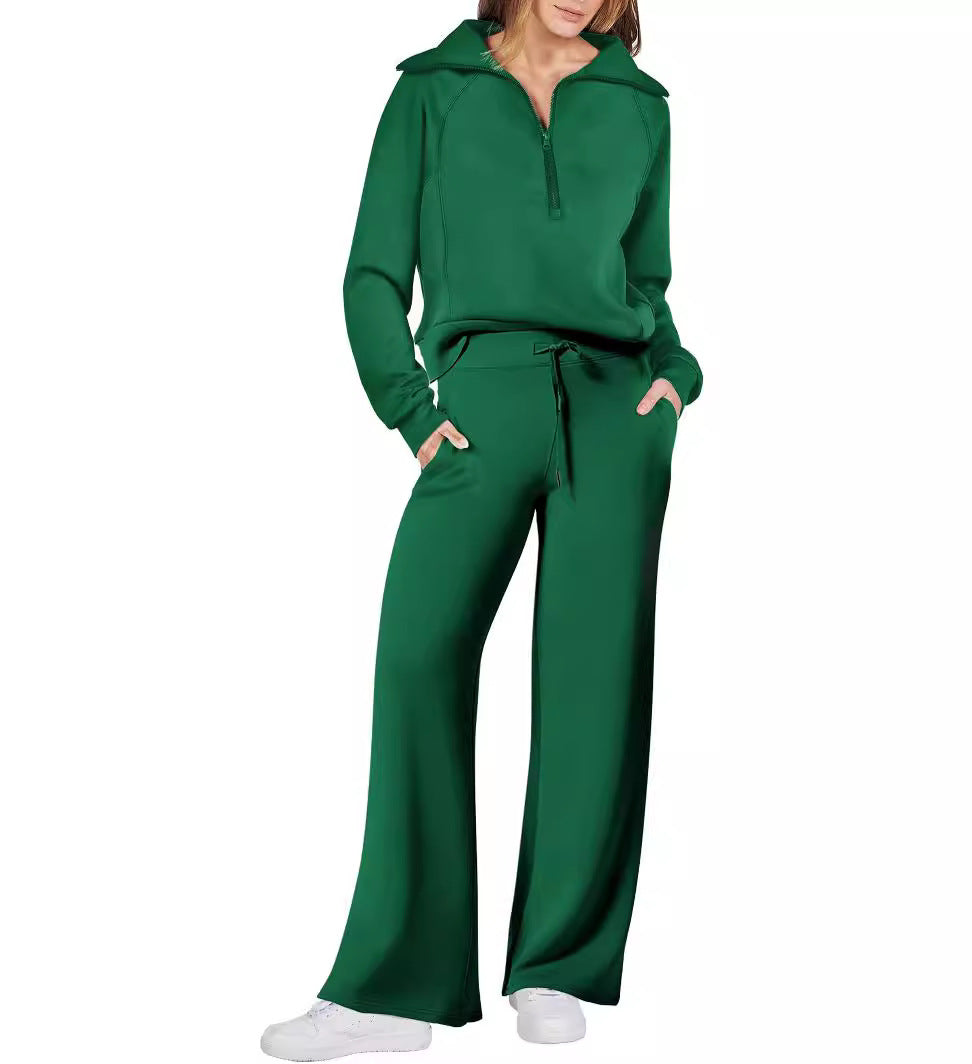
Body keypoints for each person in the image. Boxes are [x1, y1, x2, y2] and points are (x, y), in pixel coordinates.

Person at [261, 1, 702, 1056]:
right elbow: (373, 274)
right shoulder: (432, 90)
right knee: (418, 655)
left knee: (595, 681)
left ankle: (558, 964)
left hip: (615, 410)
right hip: (478, 402)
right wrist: (411, 411)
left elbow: (645, 281)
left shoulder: (639, 105)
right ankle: (393, 990)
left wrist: (673, 380)